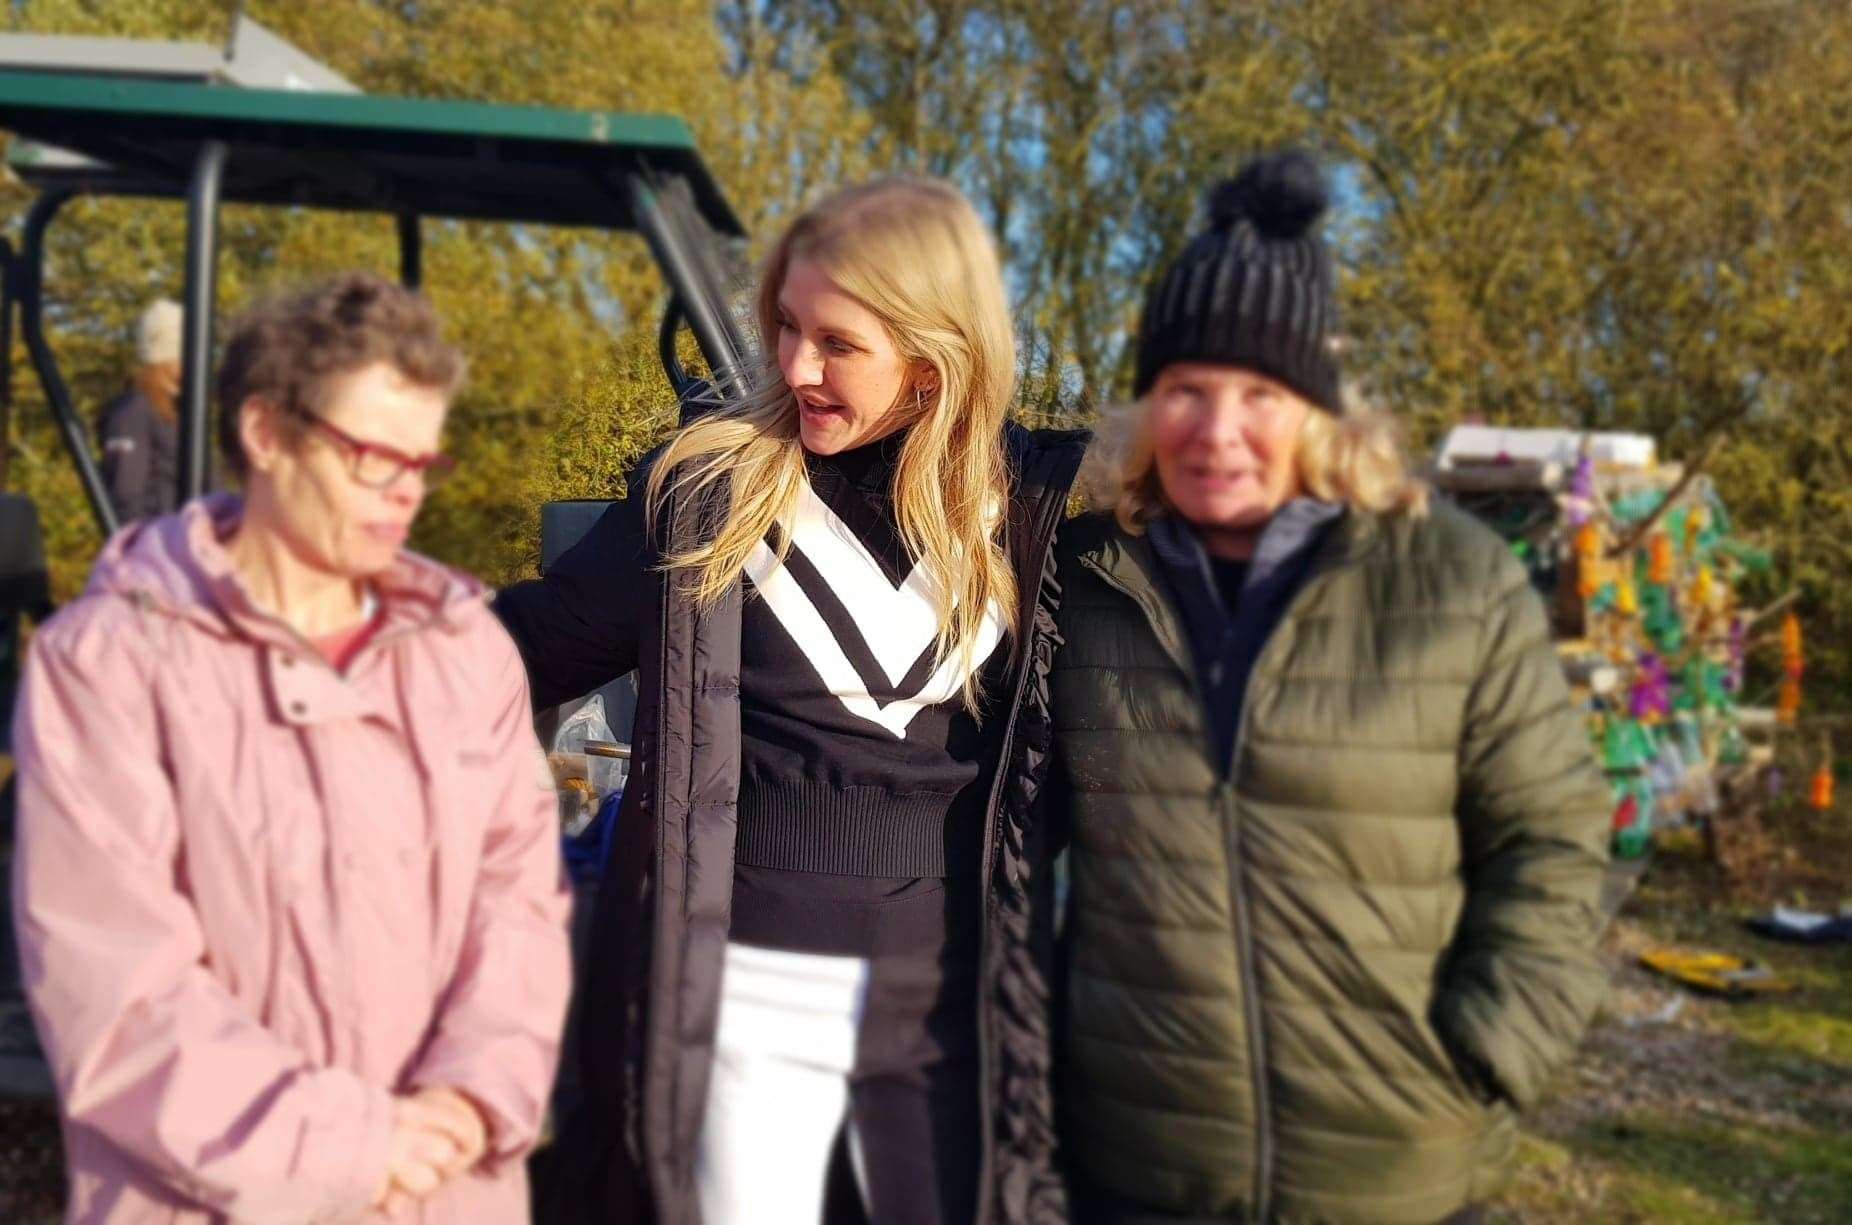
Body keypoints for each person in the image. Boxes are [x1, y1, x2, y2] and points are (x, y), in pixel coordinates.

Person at [496, 177, 1085, 1225]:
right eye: (783, 325)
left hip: (953, 1007)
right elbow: (528, 648)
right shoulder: (705, 491)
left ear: (935, 348)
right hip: (741, 995)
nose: (795, 367)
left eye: (838, 343)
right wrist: (341, 626)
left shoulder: (1039, 510)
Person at [1046, 152, 1612, 1224]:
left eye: (1260, 392)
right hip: (1138, 1166)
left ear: (1319, 410)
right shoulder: (1080, 581)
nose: (1218, 431)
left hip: (1396, 1167)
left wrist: (1491, 1045)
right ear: (1146, 404)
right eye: (1186, 391)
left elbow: (1554, 834)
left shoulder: (1451, 578)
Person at [11, 273, 572, 1222]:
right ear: (266, 433)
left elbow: (518, 904)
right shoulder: (107, 663)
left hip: (447, 1192)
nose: (405, 494)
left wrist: (475, 1100)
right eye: (371, 457)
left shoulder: (466, 648)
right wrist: (360, 1146)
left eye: (421, 464)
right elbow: (114, 991)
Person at [97, 299, 184, 523]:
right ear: (167, 358)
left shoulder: (176, 411)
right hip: (165, 549)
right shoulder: (133, 412)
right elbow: (126, 498)